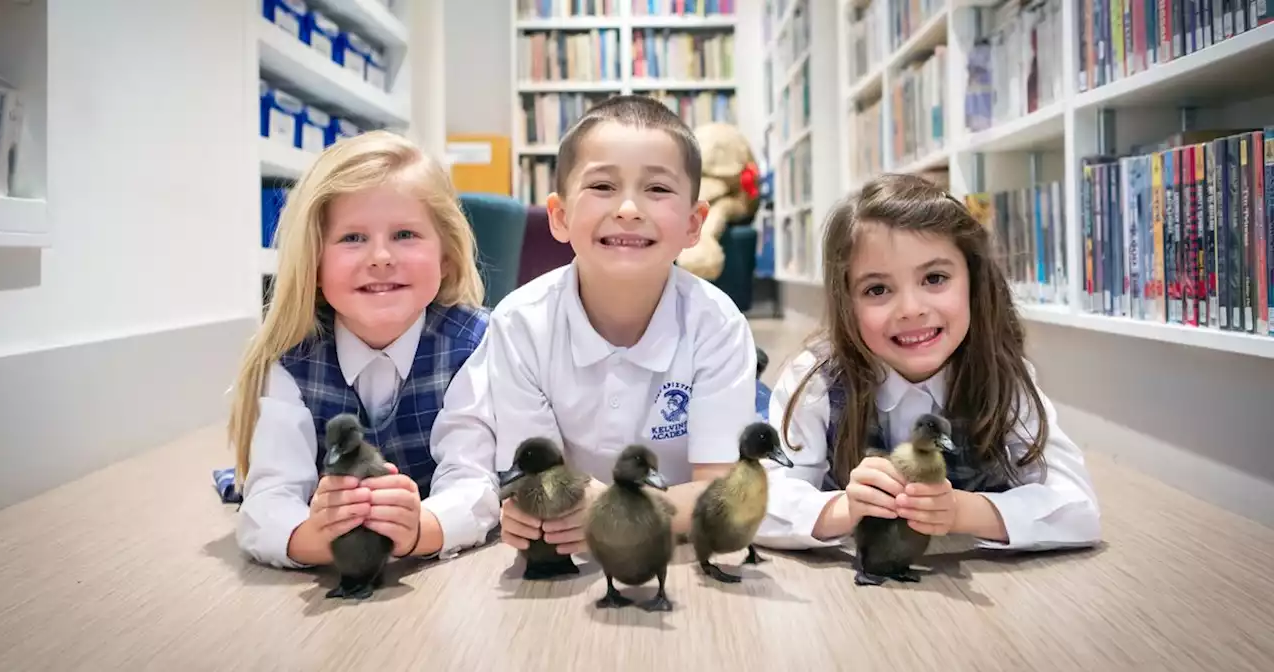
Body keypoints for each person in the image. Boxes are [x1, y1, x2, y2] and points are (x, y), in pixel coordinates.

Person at [426, 94, 758, 559]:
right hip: (574, 557)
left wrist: (622, 512)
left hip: (676, 553)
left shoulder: (718, 325)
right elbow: (538, 478)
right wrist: (531, 512)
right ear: (560, 217)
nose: (627, 208)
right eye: (602, 186)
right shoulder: (520, 323)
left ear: (693, 223)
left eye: (657, 189)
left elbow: (723, 493)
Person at [755, 173, 1101, 552]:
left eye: (935, 278)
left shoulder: (1003, 378)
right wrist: (844, 508)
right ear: (846, 303)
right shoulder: (816, 380)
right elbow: (762, 501)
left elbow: (1078, 508)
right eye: (877, 289)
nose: (911, 310)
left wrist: (960, 511)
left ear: (973, 281)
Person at [226, 130, 489, 569]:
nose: (381, 257)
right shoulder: (293, 359)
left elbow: (473, 480)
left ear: (445, 256)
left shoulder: (475, 344)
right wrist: (315, 535)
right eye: (352, 238)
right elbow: (268, 502)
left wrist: (422, 527)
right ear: (313, 261)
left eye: (405, 234)